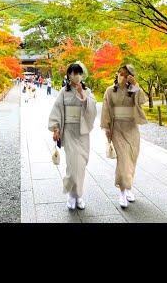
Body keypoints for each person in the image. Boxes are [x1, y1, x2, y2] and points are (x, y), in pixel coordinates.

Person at [48, 62, 97, 210]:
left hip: (82, 133)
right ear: (69, 75)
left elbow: (93, 109)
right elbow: (56, 110)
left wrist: (82, 94)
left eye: (79, 73)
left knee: (81, 165)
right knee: (73, 164)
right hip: (69, 131)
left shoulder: (87, 91)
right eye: (73, 73)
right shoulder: (64, 91)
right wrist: (56, 129)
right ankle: (73, 195)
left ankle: (78, 195)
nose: (76, 76)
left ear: (82, 75)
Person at [100, 63, 148, 209]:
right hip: (117, 129)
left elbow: (142, 101)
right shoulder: (110, 90)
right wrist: (107, 128)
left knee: (132, 159)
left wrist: (136, 86)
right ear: (117, 74)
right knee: (124, 161)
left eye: (126, 74)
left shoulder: (132, 90)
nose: (123, 76)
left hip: (131, 129)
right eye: (121, 73)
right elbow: (106, 109)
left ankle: (128, 188)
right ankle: (122, 192)